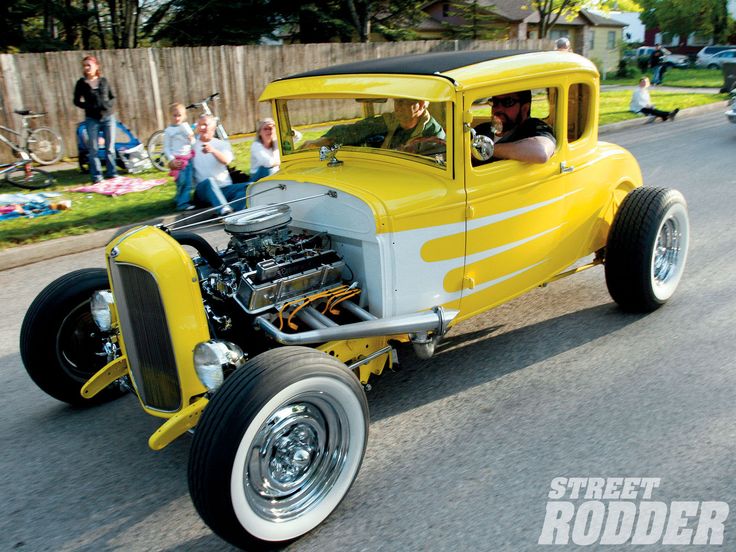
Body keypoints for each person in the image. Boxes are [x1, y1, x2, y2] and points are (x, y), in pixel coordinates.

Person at [301, 98, 445, 153]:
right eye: (396, 102)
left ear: (419, 106)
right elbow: (359, 129)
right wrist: (326, 140)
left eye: (402, 103)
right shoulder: (393, 120)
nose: (397, 108)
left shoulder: (433, 135)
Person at [473, 91, 556, 164]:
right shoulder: (482, 129)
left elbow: (541, 152)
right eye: (495, 102)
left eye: (508, 102)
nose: (498, 108)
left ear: (524, 108)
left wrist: (486, 149)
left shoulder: (535, 127)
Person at [73, 55, 118, 183]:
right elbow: (76, 101)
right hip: (92, 119)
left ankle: (112, 173)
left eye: (89, 65)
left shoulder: (103, 81)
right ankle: (97, 176)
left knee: (109, 148)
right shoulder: (81, 83)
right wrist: (88, 106)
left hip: (108, 117)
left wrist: (107, 105)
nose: (87, 68)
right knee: (93, 149)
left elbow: (112, 97)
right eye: (84, 65)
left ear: (96, 66)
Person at [191, 115, 246, 216]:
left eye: (205, 125)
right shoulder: (192, 147)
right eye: (200, 125)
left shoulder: (222, 144)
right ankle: (224, 210)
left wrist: (212, 150)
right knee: (209, 181)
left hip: (225, 187)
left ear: (213, 128)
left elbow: (226, 161)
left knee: (250, 187)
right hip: (204, 190)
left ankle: (232, 211)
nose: (202, 128)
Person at [164, 102, 195, 211]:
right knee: (181, 181)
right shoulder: (168, 131)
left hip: (188, 158)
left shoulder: (186, 127)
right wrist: (171, 159)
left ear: (184, 116)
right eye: (174, 115)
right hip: (177, 160)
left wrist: (191, 138)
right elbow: (166, 148)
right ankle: (181, 201)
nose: (177, 118)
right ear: (169, 115)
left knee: (188, 182)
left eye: (179, 115)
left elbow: (193, 142)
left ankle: (182, 202)